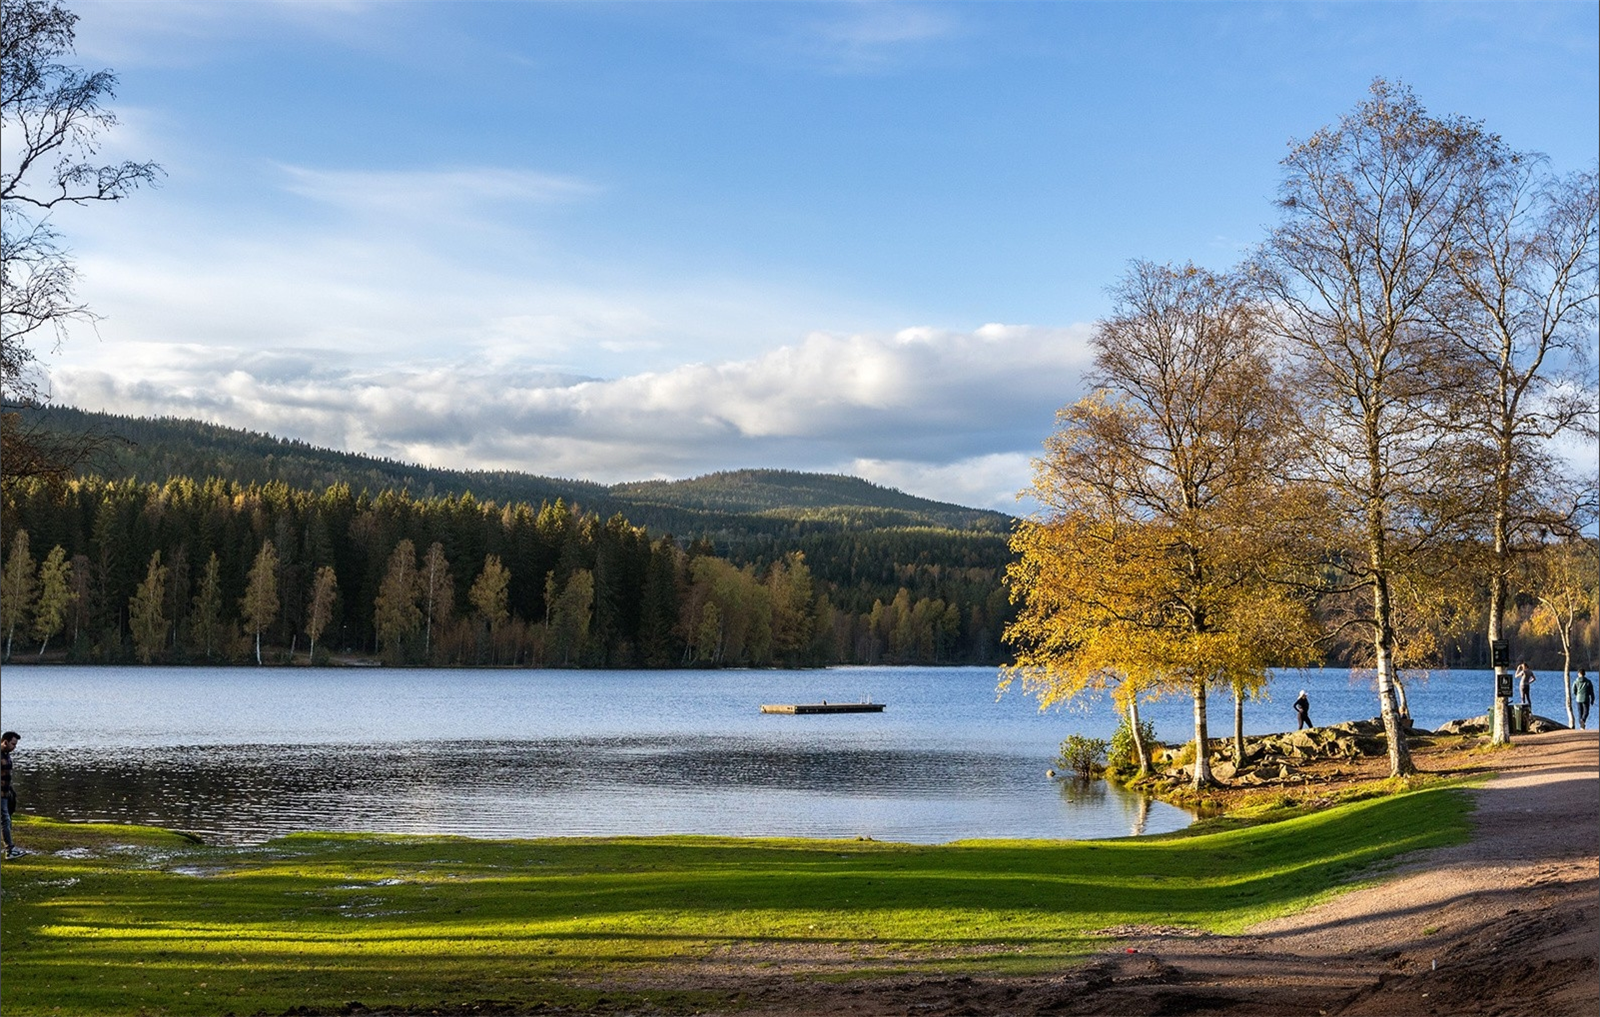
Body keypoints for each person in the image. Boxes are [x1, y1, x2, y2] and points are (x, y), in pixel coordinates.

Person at [1, 730, 19, 859]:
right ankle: (10, 850)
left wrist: (10, 791)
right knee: (5, 820)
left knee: (7, 820)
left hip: (6, 793)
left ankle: (10, 849)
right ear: (5, 742)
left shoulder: (6, 754)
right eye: (13, 744)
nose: (14, 747)